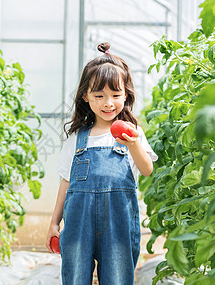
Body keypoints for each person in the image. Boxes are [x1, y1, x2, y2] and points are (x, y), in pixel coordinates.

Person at [45, 42, 158, 284]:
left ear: (126, 95)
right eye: (100, 96)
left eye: (116, 95)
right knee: (75, 276)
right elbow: (66, 181)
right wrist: (54, 222)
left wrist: (133, 144)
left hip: (117, 224)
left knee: (117, 277)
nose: (109, 103)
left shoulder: (132, 132)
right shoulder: (77, 137)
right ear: (85, 97)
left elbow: (147, 169)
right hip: (78, 223)